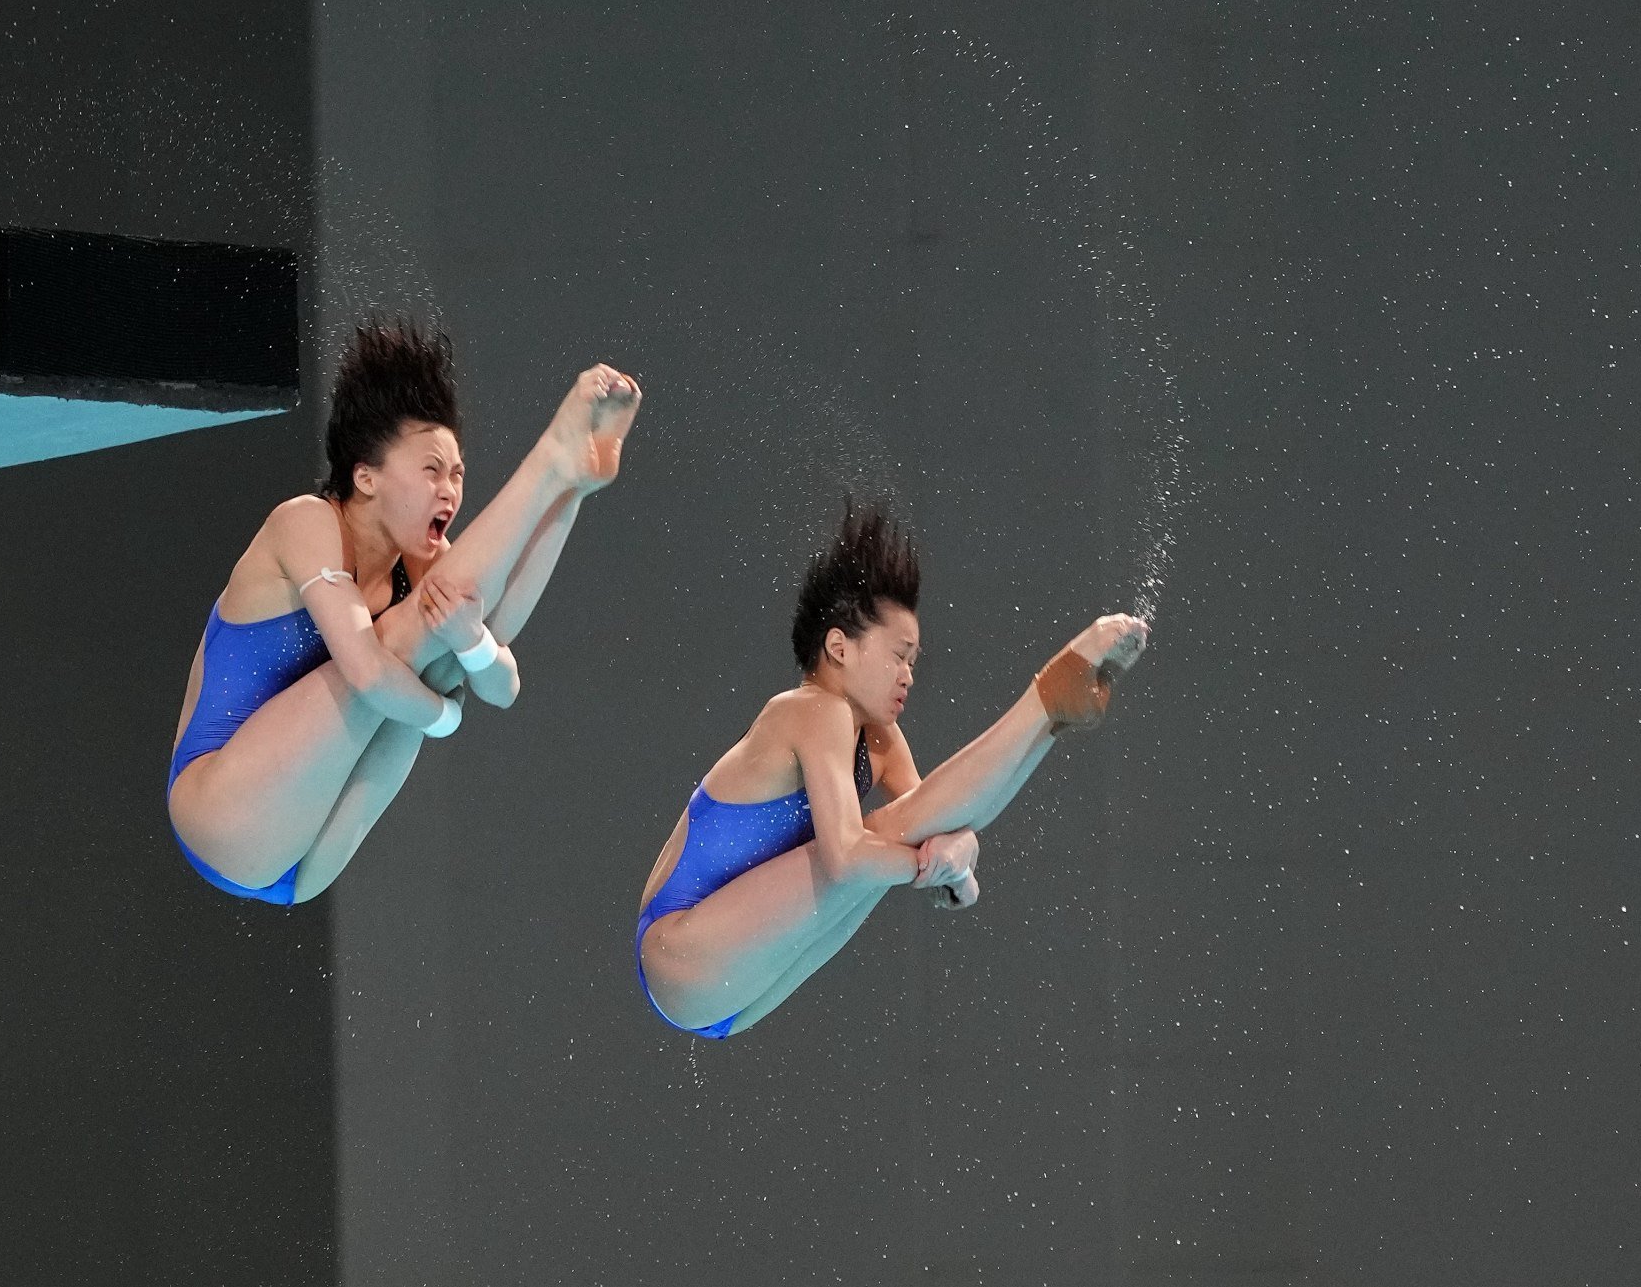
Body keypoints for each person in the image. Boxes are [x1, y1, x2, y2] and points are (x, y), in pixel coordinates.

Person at [166, 319, 640, 904]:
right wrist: (445, 715)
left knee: (447, 634)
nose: (451, 490)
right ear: (365, 477)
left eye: (458, 474)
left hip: (303, 863)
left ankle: (566, 482)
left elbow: (503, 677)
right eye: (432, 470)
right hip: (223, 815)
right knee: (409, 643)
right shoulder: (305, 523)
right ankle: (550, 462)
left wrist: (568, 505)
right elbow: (366, 671)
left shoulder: (421, 560)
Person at [634, 503, 1148, 1037]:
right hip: (679, 953)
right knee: (873, 845)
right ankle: (1042, 703)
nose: (908, 675)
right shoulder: (808, 709)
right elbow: (850, 858)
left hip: (733, 1002)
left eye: (914, 662)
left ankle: (1050, 724)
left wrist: (957, 854)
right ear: (838, 647)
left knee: (896, 836)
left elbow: (948, 847)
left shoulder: (880, 740)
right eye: (899, 655)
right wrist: (931, 862)